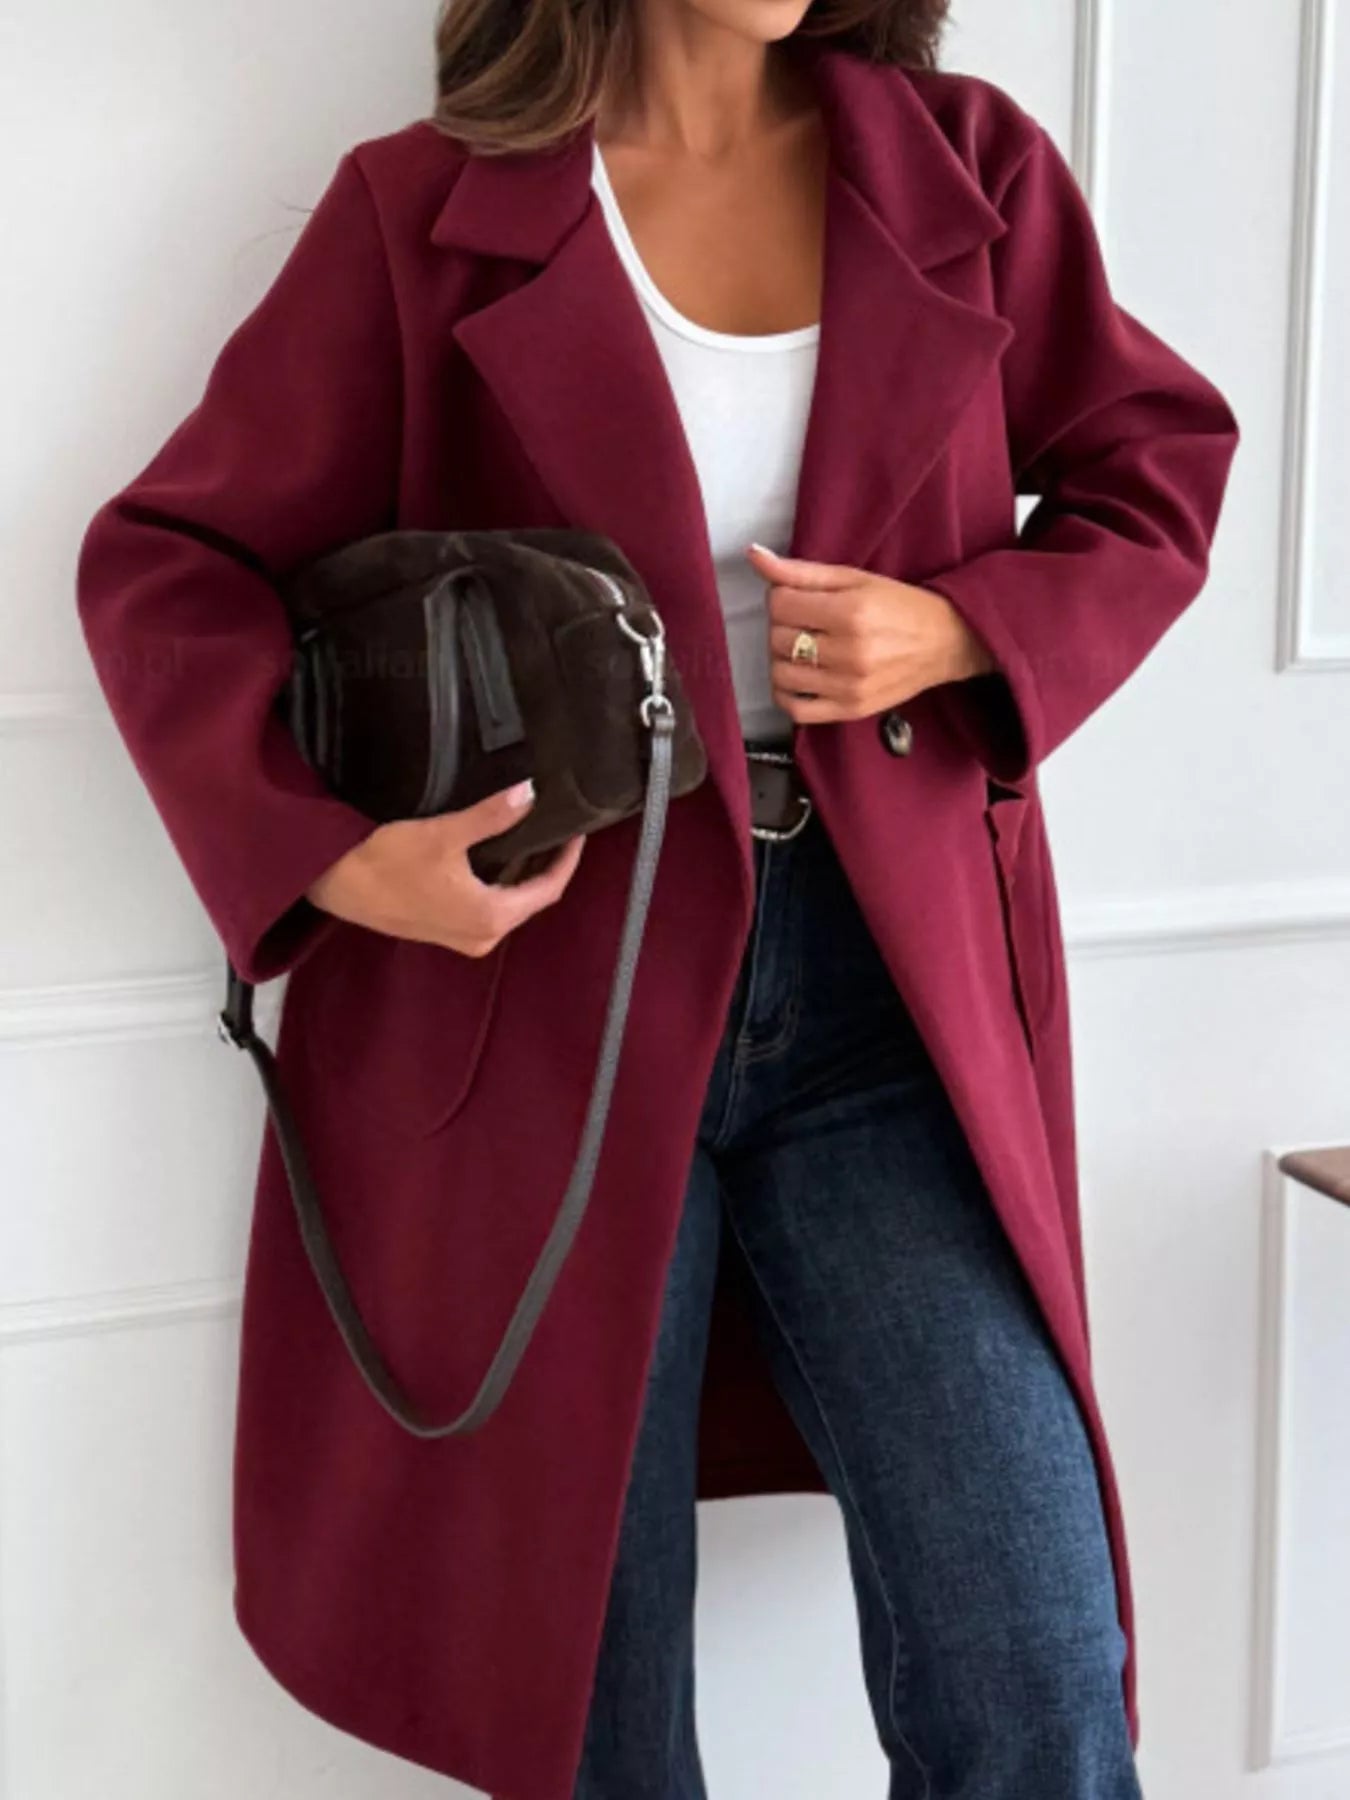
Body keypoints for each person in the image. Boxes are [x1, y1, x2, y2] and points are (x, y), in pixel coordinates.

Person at [75, 1, 1240, 1795]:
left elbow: (1152, 466)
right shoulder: (425, 207)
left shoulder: (967, 164)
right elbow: (174, 562)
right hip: (548, 1005)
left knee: (1033, 1671)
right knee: (587, 1712)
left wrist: (957, 627)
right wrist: (328, 856)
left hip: (891, 996)